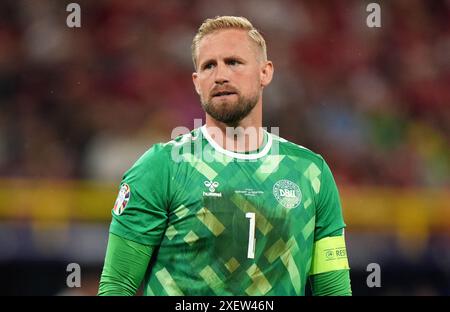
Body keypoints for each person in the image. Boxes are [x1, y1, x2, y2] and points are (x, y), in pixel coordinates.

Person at [98, 16, 351, 296]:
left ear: (264, 72)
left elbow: (334, 292)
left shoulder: (311, 173)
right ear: (196, 82)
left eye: (233, 62)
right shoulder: (160, 168)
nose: (220, 75)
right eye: (208, 66)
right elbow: (117, 286)